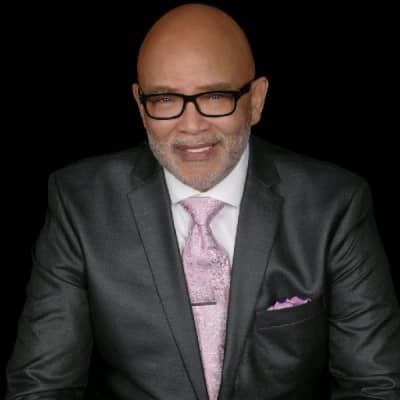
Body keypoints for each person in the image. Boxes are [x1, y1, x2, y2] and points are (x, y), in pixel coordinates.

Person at [6, 3, 400, 399]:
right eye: (165, 99)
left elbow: (373, 386)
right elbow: (42, 388)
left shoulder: (334, 205)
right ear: (141, 106)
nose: (191, 126)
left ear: (256, 99)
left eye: (215, 96)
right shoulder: (80, 204)